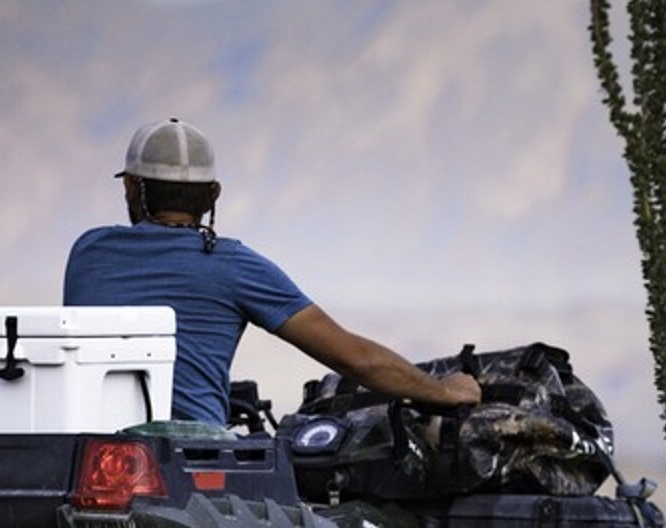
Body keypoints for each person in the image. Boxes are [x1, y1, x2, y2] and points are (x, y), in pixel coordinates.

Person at [63, 117, 479, 426]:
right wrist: (443, 391)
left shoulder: (88, 250)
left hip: (90, 454)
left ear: (132, 187)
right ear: (213, 195)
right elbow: (359, 361)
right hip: (189, 464)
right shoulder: (232, 266)